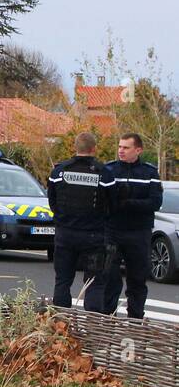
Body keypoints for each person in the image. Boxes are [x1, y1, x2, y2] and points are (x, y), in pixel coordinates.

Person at [48, 132, 116, 311]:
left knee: (62, 281)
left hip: (65, 235)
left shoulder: (59, 171)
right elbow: (112, 204)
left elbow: (52, 202)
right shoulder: (104, 174)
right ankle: (92, 330)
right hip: (94, 237)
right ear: (94, 149)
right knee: (94, 283)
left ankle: (60, 326)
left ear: (75, 147)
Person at [100, 133, 161, 319]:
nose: (121, 150)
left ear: (138, 150)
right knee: (109, 276)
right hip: (112, 231)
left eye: (126, 147)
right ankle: (108, 317)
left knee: (137, 278)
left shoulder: (149, 173)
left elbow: (155, 202)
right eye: (119, 146)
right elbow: (101, 200)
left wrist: (129, 203)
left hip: (138, 233)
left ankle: (135, 319)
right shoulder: (109, 170)